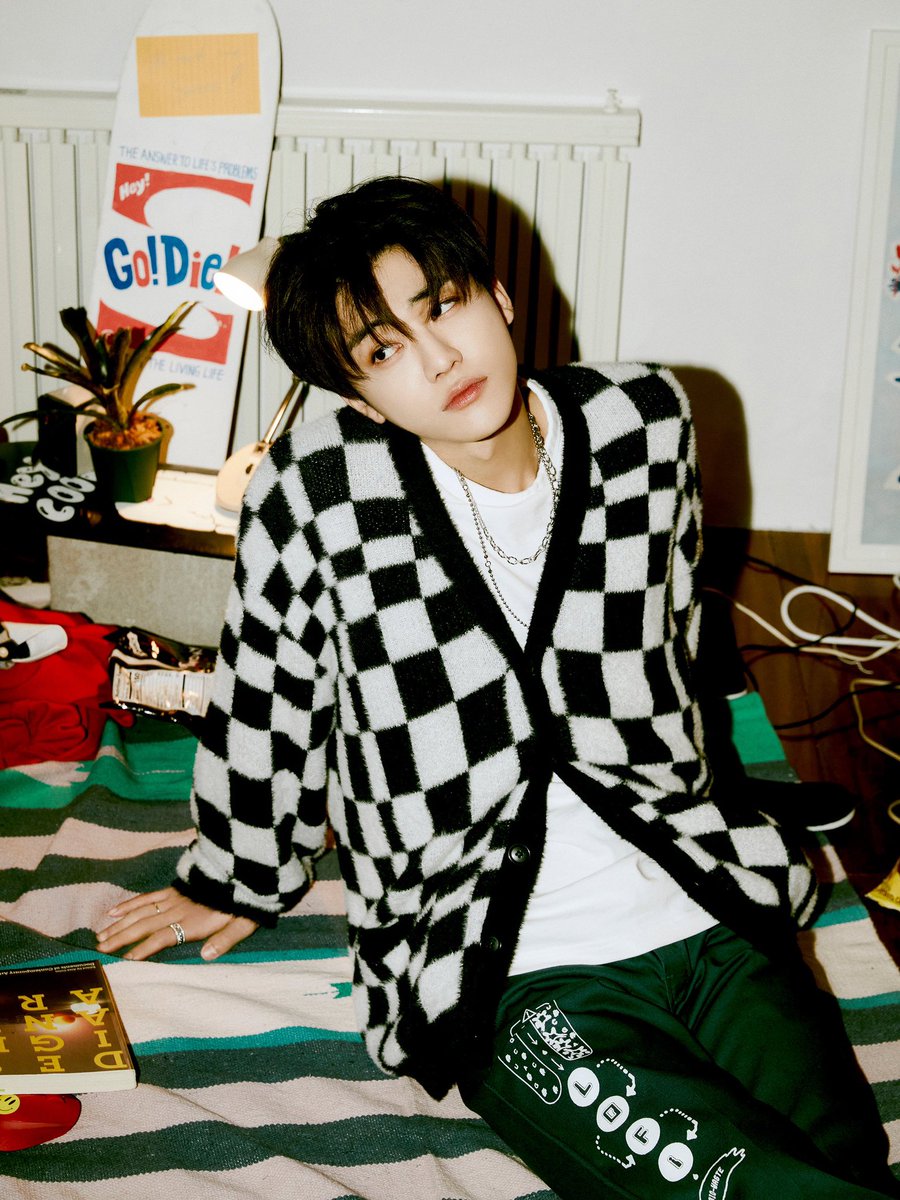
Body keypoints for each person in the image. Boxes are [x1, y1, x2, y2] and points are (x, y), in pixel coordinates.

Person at [97, 177, 898, 1199]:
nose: (440, 358)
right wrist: (235, 874)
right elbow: (269, 693)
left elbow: (674, 623)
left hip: (706, 906)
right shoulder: (318, 496)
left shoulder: (643, 422)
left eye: (445, 306)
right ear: (358, 398)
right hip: (503, 968)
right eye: (384, 351)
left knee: (846, 1166)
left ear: (501, 297)